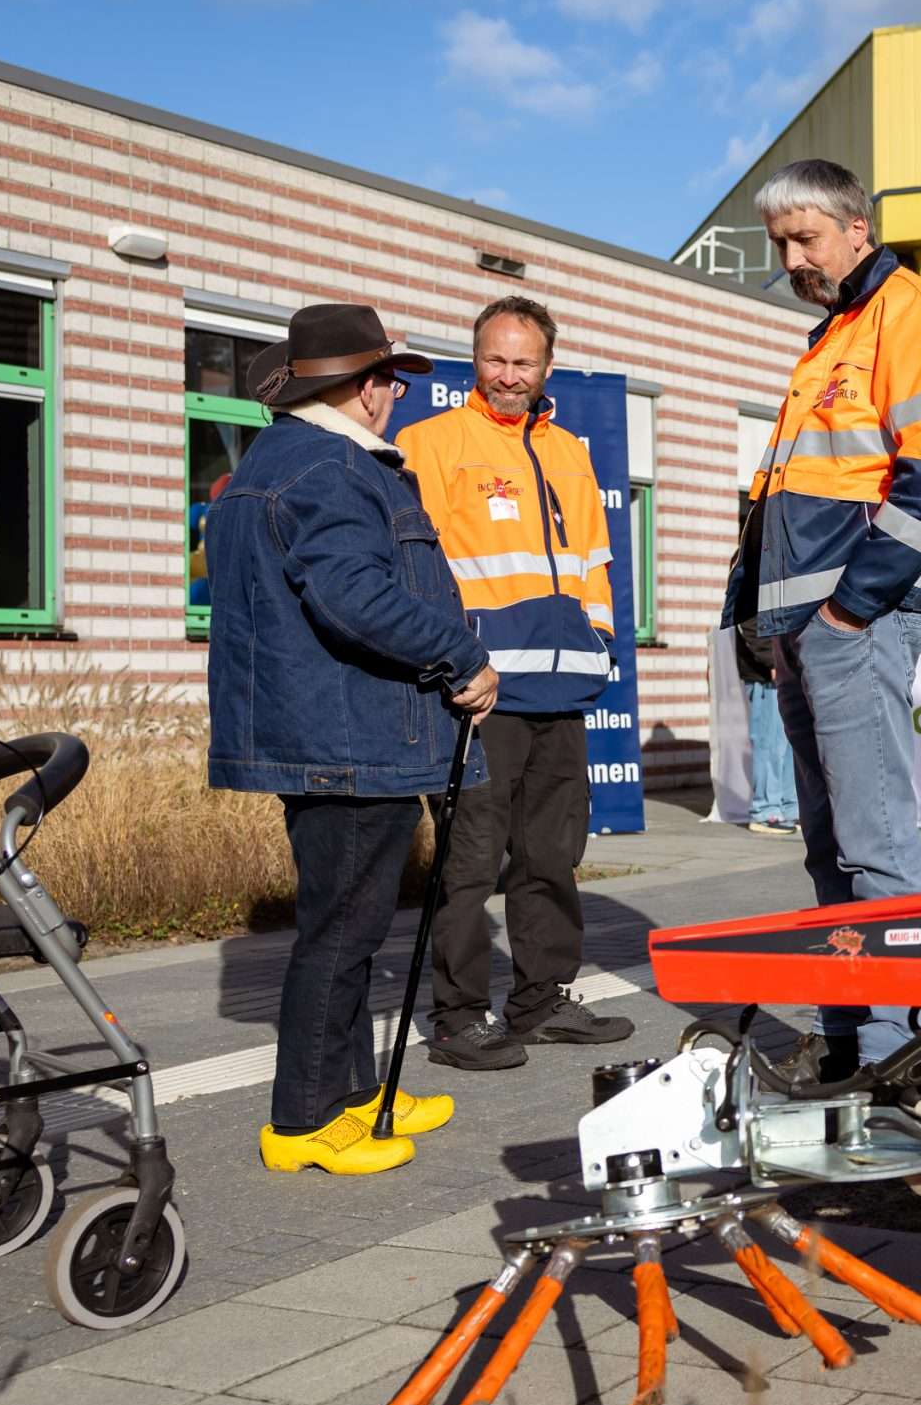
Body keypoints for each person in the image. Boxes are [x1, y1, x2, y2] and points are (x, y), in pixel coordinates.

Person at [204, 303, 498, 1175]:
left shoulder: (283, 460)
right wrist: (461, 656)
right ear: (367, 389)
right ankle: (303, 1123)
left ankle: (354, 1089)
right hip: (347, 738)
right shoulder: (330, 467)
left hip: (336, 732)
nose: (395, 396)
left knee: (355, 923)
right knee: (340, 931)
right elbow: (353, 598)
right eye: (391, 381)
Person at [727, 159, 921, 1071]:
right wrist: (777, 630)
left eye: (807, 238)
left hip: (851, 623)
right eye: (780, 244)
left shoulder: (916, 314)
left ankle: (896, 1052)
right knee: (829, 845)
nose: (793, 258)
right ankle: (847, 1035)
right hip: (809, 631)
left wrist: (847, 612)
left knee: (872, 844)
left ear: (856, 229)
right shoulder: (832, 334)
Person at [398, 296, 633, 1072]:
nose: (506, 375)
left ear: (545, 369)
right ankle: (458, 1017)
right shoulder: (429, 442)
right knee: (469, 865)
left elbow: (595, 562)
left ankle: (540, 1000)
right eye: (494, 360)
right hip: (481, 693)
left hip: (563, 694)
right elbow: (416, 569)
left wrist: (599, 643)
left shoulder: (571, 450)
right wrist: (454, 661)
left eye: (521, 363)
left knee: (551, 857)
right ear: (475, 360)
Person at [738, 625, 799, 835]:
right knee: (769, 744)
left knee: (790, 744)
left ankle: (789, 807)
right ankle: (764, 811)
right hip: (765, 675)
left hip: (789, 669)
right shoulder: (753, 589)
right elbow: (746, 620)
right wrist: (771, 660)